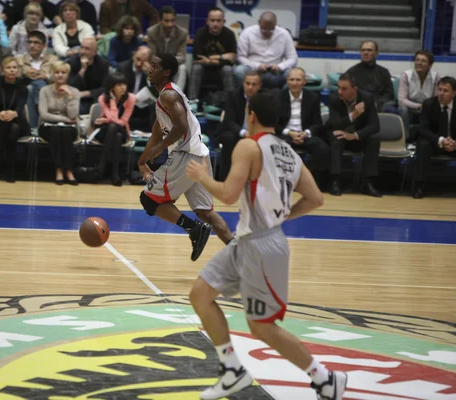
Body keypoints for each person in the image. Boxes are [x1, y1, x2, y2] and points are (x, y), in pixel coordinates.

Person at [185, 90, 347, 400]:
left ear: (251, 115)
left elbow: (228, 195)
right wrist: (283, 216)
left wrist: (202, 176)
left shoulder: (249, 145)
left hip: (260, 246)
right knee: (201, 294)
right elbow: (316, 199)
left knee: (262, 326)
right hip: (251, 239)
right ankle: (232, 370)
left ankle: (326, 379)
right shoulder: (289, 152)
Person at [138, 53, 234, 261]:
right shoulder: (165, 97)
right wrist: (142, 160)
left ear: (166, 73)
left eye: (155, 66)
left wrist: (160, 149)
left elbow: (180, 127)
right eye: (150, 65)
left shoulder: (168, 96)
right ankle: (238, 251)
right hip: (200, 156)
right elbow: (157, 131)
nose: (150, 69)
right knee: (206, 212)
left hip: (185, 156)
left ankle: (194, 229)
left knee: (148, 199)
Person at [0, 57, 29, 183]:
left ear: (18, 70)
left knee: (13, 128)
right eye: (8, 68)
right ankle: (10, 170)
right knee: (11, 129)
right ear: (2, 71)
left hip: (16, 119)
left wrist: (13, 113)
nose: (12, 70)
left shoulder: (22, 87)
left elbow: (20, 107)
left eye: (14, 67)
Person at [38, 61, 81, 185]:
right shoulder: (44, 91)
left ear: (68, 75)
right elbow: (44, 114)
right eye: (57, 72)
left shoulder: (74, 91)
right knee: (57, 131)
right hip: (47, 126)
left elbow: (73, 115)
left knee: (65, 131)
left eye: (63, 72)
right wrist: (64, 119)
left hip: (69, 128)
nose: (60, 75)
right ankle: (59, 170)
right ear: (52, 74)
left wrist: (70, 96)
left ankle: (68, 170)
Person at [95, 71, 136, 186]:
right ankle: (115, 174)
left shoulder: (131, 98)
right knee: (115, 133)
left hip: (121, 130)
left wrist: (107, 120)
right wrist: (112, 101)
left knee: (114, 128)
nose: (123, 87)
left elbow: (122, 122)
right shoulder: (102, 98)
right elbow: (114, 118)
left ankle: (101, 166)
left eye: (124, 84)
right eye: (119, 85)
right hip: (104, 132)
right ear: (111, 87)